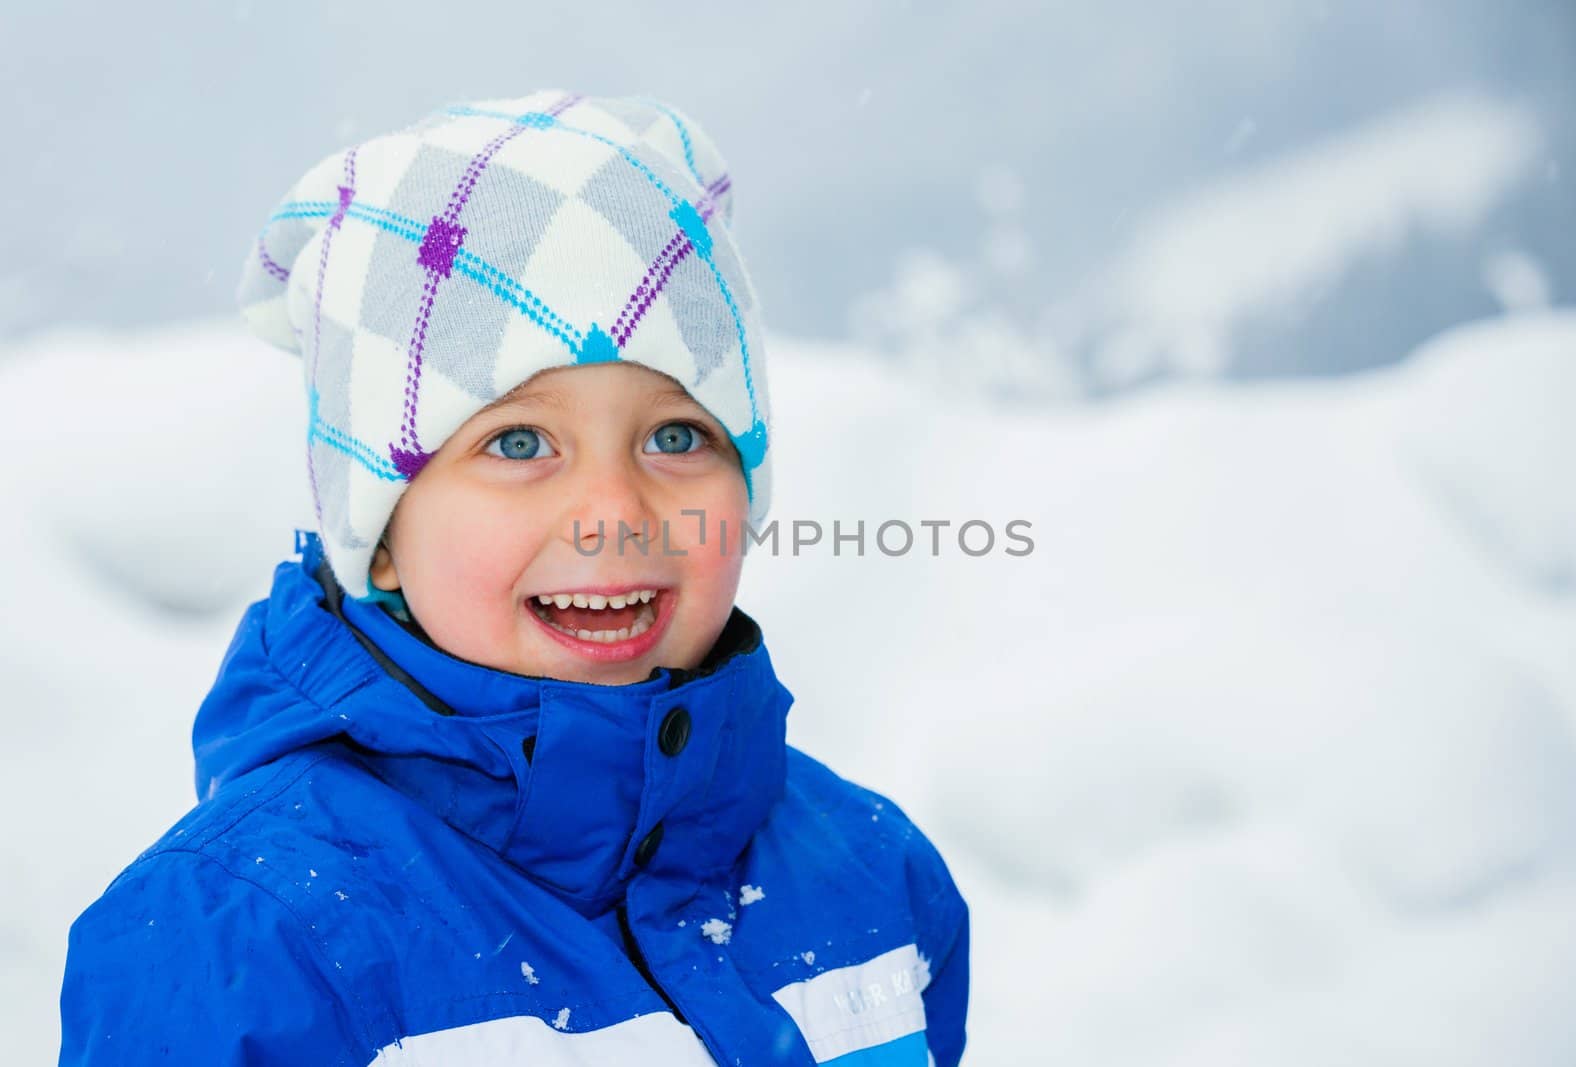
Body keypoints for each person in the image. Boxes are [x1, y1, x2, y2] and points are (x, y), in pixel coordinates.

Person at [57, 89, 969, 1066]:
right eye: (521, 440)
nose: (613, 509)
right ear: (382, 530)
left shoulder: (872, 872)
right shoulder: (245, 934)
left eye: (676, 435)